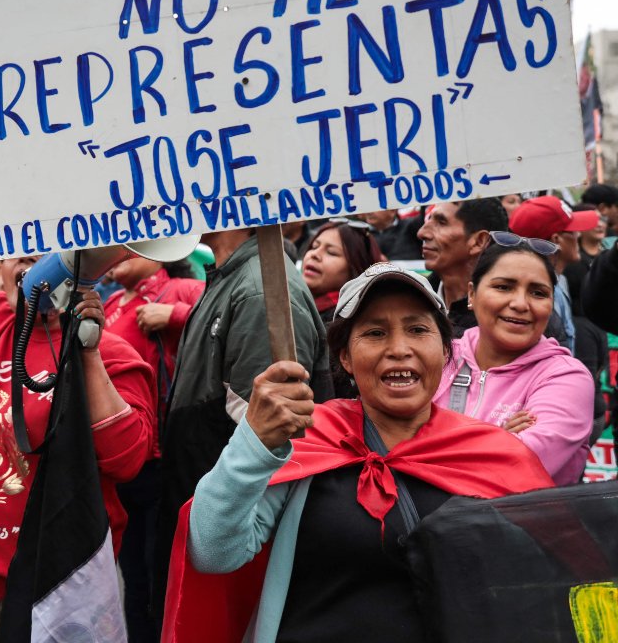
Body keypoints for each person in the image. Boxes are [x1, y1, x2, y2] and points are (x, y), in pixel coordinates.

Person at [164, 262, 553, 643]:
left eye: (417, 329)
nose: (399, 349)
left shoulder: (491, 454)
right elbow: (213, 551)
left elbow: (543, 582)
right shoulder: (305, 438)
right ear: (346, 359)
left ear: (446, 351)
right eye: (375, 333)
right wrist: (254, 441)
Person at [0, 182, 155, 642]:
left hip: (54, 581)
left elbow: (126, 460)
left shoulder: (113, 355)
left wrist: (85, 352)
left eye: (42, 256)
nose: (27, 266)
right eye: (18, 255)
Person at [156, 226, 328, 614]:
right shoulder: (235, 278)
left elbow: (273, 448)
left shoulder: (258, 290)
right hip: (202, 511)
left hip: (231, 546)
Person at [432, 236, 595, 485]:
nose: (520, 304)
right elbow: (387, 442)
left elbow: (515, 467)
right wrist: (496, 437)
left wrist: (430, 445)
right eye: (503, 287)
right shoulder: (438, 358)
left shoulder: (567, 378)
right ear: (472, 294)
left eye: (538, 293)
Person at [101, 254, 202, 643]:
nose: (119, 249)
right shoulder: (110, 302)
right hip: (120, 463)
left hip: (164, 461)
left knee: (161, 574)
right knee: (132, 578)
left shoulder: (183, 289)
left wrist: (175, 315)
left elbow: (229, 321)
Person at [508, 196, 600, 355]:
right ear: (556, 240)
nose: (578, 235)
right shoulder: (533, 297)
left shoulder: (560, 280)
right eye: (573, 231)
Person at [416, 198, 509, 335]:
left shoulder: (506, 319)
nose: (422, 233)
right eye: (428, 220)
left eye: (441, 222)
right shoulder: (413, 298)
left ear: (478, 242)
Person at [301, 217, 387, 323]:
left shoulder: (346, 323)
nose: (314, 254)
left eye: (331, 252)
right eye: (314, 247)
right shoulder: (295, 304)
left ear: (356, 269)